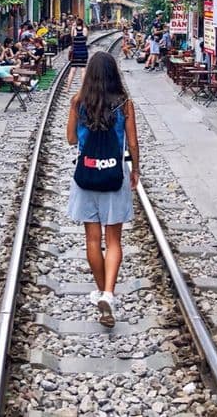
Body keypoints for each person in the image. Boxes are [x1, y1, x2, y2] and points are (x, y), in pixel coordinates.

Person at [66, 51, 140, 327]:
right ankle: (108, 292)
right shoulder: (124, 104)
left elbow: (71, 139)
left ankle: (102, 293)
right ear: (113, 74)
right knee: (115, 241)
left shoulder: (79, 102)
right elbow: (132, 144)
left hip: (86, 175)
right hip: (114, 175)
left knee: (92, 240)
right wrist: (136, 170)